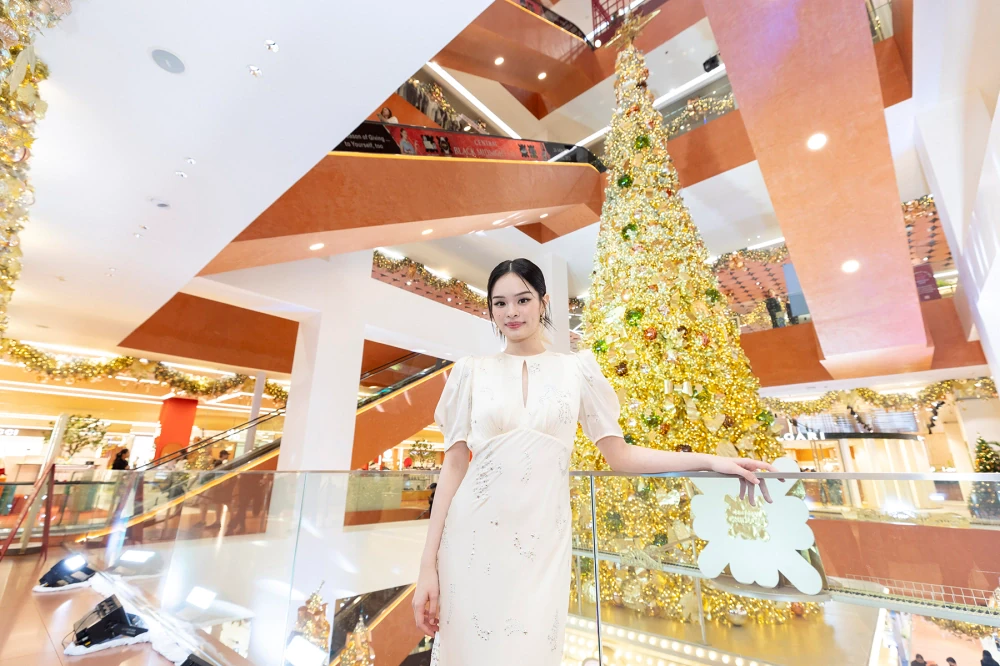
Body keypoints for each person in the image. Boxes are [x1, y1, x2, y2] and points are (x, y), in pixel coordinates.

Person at [412, 258, 776, 664]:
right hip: (470, 541)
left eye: (523, 299)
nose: (511, 312)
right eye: (500, 303)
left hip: (542, 545)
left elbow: (621, 456)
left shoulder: (575, 370)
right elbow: (454, 467)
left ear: (543, 302)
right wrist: (428, 566)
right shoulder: (470, 372)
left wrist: (711, 462)